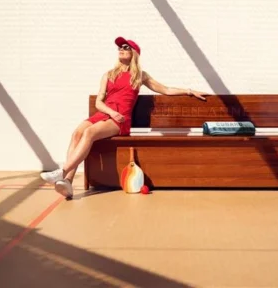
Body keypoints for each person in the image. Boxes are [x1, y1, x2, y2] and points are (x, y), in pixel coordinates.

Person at [40, 36, 209, 198]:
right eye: (119, 47)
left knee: (89, 133)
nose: (121, 49)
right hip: (106, 113)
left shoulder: (140, 76)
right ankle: (67, 182)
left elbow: (166, 89)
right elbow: (99, 102)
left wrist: (189, 91)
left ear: (134, 53)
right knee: (77, 133)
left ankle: (62, 172)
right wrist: (110, 111)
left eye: (125, 47)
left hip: (120, 120)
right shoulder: (109, 74)